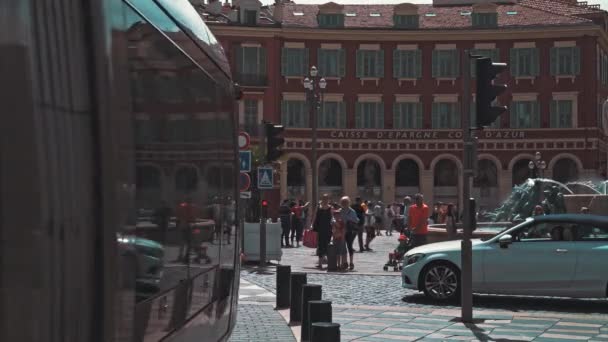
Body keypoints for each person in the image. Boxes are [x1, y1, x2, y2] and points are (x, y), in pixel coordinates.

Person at [312, 194, 333, 269]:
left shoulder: (330, 208)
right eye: (324, 198)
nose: (325, 200)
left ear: (328, 199)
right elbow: (314, 217)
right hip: (320, 229)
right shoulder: (318, 207)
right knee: (320, 245)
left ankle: (329, 263)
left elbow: (333, 218)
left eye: (326, 199)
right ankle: (320, 263)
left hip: (328, 229)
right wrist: (312, 225)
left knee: (327, 245)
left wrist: (333, 225)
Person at [339, 196, 360, 270]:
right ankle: (344, 263)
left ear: (348, 203)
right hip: (341, 231)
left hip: (350, 231)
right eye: (342, 202)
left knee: (349, 246)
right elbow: (335, 218)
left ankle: (351, 262)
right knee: (342, 247)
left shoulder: (352, 211)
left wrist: (349, 220)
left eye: (345, 202)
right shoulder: (339, 211)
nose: (344, 203)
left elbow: (356, 220)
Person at [331, 207, 348, 271]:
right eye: (335, 214)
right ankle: (338, 265)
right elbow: (333, 230)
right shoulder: (333, 222)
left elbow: (343, 230)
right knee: (337, 253)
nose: (337, 215)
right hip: (335, 238)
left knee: (341, 252)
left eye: (338, 214)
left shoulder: (341, 222)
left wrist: (343, 238)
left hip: (341, 238)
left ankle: (341, 265)